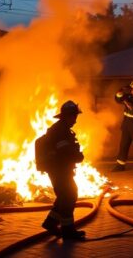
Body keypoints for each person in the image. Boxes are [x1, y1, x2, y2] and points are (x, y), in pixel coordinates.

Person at [40, 100, 87, 241]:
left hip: (60, 168)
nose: (75, 120)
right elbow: (64, 151)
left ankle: (50, 223)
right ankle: (68, 232)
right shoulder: (60, 130)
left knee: (64, 196)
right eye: (73, 117)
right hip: (58, 169)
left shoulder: (62, 128)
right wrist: (78, 156)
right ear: (66, 116)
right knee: (68, 196)